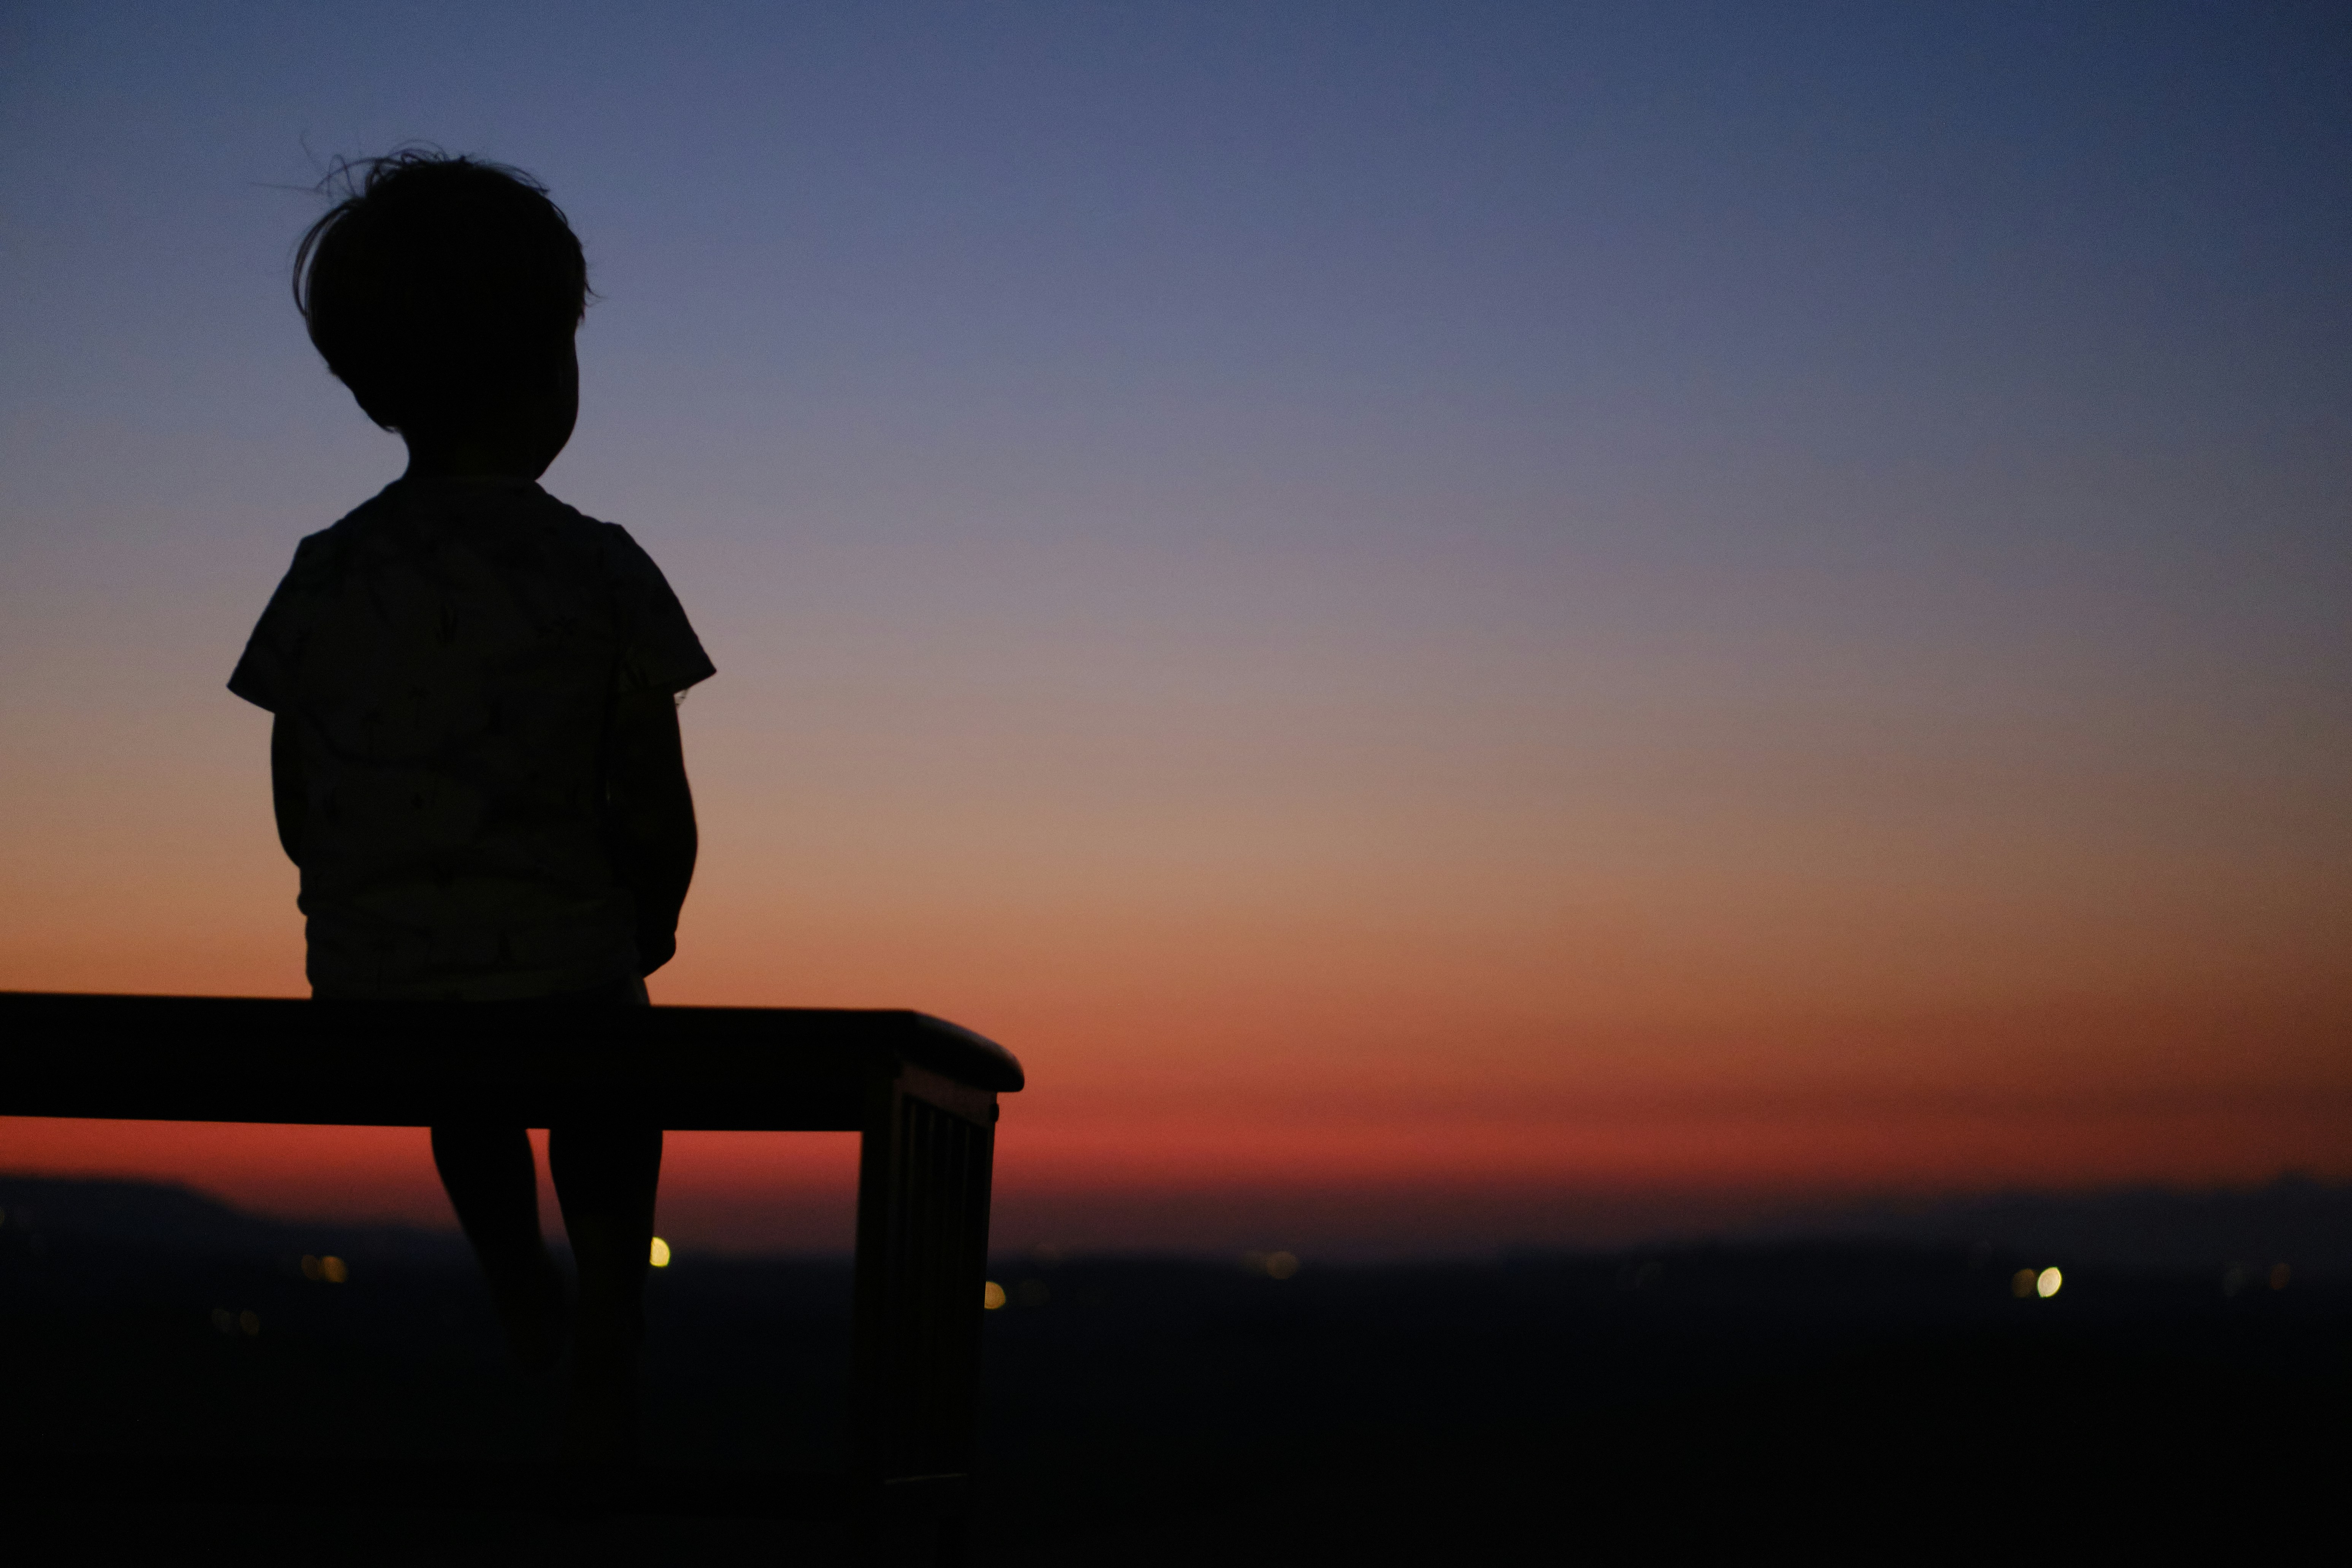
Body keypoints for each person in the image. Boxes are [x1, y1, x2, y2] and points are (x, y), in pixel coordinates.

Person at [227, 151, 712, 1462]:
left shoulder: (329, 569)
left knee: (466, 1076)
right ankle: (609, 1314)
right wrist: (650, 911)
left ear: (372, 383)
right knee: (611, 1076)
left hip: (379, 970)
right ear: (552, 367)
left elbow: (292, 786)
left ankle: (511, 1261)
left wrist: (362, 901)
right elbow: (650, 784)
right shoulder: (596, 567)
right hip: (564, 959)